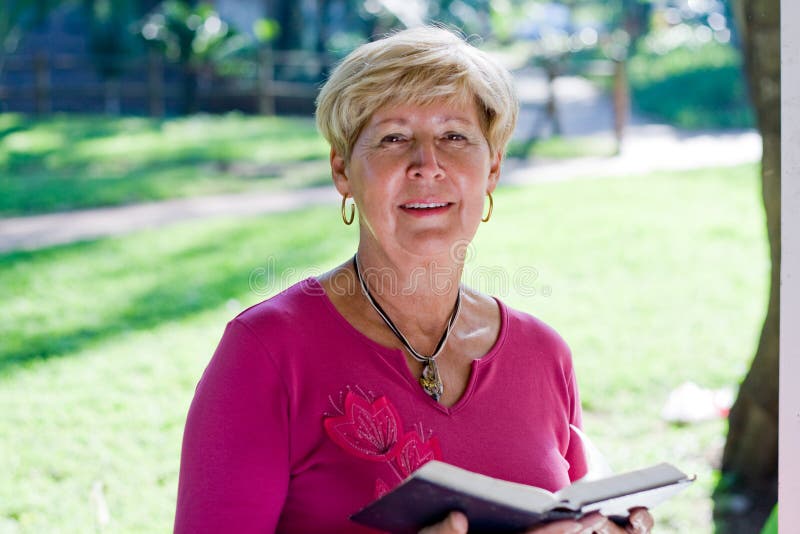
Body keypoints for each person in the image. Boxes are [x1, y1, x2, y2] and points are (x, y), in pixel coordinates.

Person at [173, 26, 653, 534]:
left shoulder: (544, 355)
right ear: (342, 170)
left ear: (492, 168)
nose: (427, 164)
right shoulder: (267, 352)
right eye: (394, 138)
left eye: (454, 136)